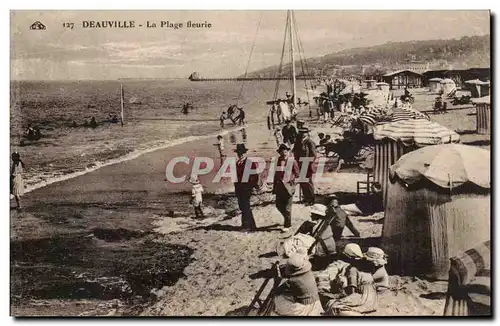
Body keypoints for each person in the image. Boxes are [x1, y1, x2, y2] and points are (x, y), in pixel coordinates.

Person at [273, 144, 300, 233]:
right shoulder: (278, 161)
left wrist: (293, 184)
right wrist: (274, 187)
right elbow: (276, 175)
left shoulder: (292, 161)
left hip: (289, 187)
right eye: (282, 152)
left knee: (287, 208)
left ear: (287, 152)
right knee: (278, 205)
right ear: (279, 153)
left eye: (285, 152)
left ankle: (287, 224)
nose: (284, 153)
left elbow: (298, 175)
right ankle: (287, 219)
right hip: (279, 187)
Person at [234, 143, 260, 231]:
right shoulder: (237, 163)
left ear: (245, 153)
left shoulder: (249, 163)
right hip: (239, 189)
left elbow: (254, 176)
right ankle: (247, 225)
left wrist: (250, 187)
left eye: (242, 153)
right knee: (242, 206)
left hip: (246, 189)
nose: (240, 155)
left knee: (245, 207)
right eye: (239, 153)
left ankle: (250, 226)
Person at [293, 127, 317, 206]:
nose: (302, 134)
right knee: (303, 182)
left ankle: (311, 199)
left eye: (304, 132)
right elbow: (295, 151)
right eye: (301, 133)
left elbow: (313, 155)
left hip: (308, 165)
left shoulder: (310, 142)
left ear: (307, 133)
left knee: (308, 182)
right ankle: (305, 198)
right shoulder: (298, 141)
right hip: (300, 164)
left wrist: (308, 163)